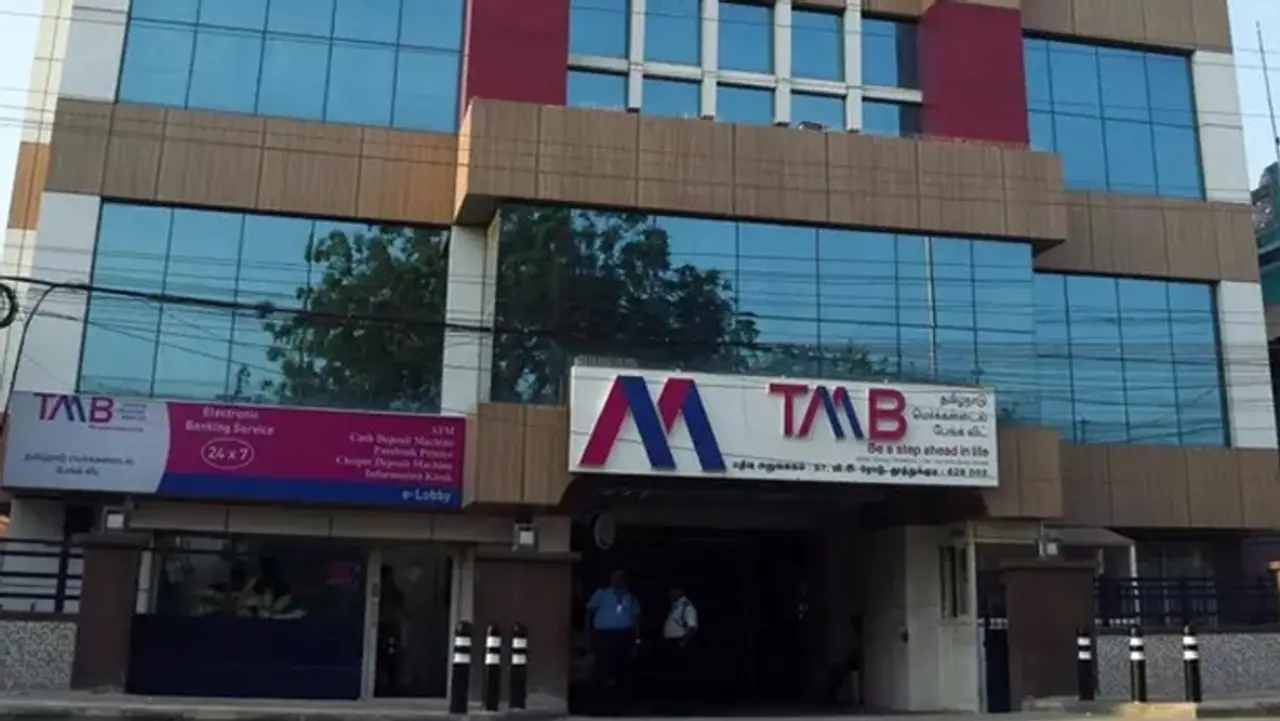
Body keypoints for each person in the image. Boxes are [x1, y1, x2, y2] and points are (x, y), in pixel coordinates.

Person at [586, 570, 640, 714]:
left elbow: (636, 619)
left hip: (624, 636)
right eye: (615, 578)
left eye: (621, 578)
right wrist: (589, 637)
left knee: (622, 669)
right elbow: (589, 613)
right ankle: (600, 705)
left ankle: (621, 705)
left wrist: (636, 641)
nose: (618, 580)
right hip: (604, 635)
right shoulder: (601, 594)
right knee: (603, 668)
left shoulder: (630, 597)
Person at [658, 586, 698, 711]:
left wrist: (683, 641)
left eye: (673, 591)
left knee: (678, 675)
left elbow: (693, 627)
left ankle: (680, 706)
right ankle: (670, 704)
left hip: (678, 642)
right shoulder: (676, 606)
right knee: (669, 675)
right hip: (671, 642)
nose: (670, 594)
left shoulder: (686, 606)